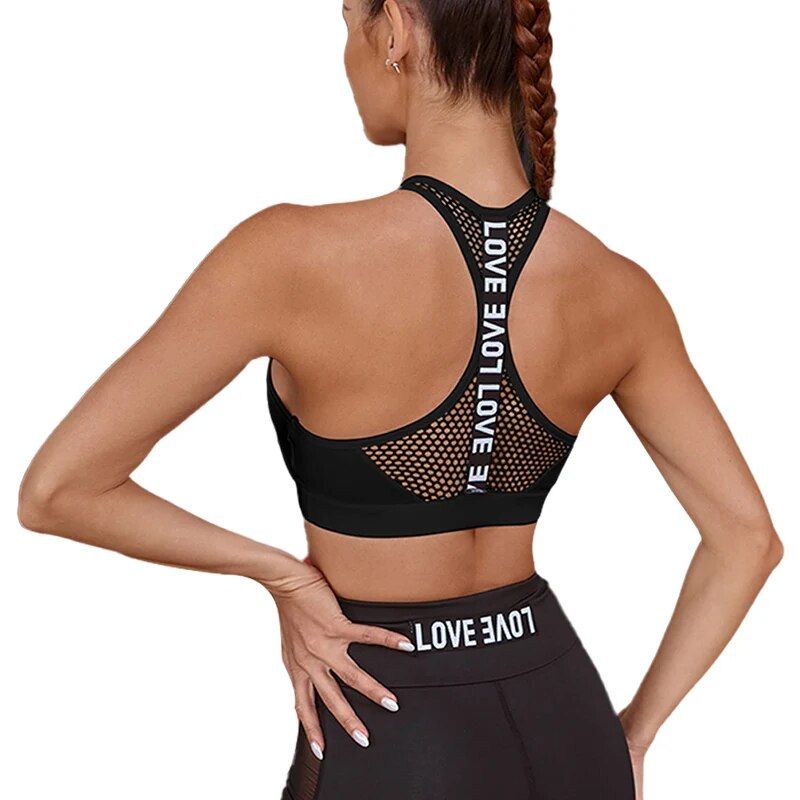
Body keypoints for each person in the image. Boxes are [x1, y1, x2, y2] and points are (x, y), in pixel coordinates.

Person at [18, 1, 782, 798]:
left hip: (389, 725)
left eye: (348, 20)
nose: (346, 54)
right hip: (567, 719)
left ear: (395, 32)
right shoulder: (620, 288)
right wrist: (634, 732)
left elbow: (59, 490)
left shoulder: (288, 256)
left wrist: (283, 577)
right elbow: (747, 538)